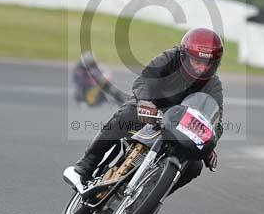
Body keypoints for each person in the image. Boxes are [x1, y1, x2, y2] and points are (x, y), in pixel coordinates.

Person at [67, 28, 224, 193]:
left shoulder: (213, 85)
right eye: (196, 61)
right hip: (151, 109)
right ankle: (85, 166)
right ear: (184, 56)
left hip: (179, 127)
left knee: (194, 166)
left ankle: (148, 197)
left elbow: (215, 121)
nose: (201, 68)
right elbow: (145, 78)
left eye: (207, 64)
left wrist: (210, 141)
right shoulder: (169, 58)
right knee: (126, 116)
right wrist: (145, 101)